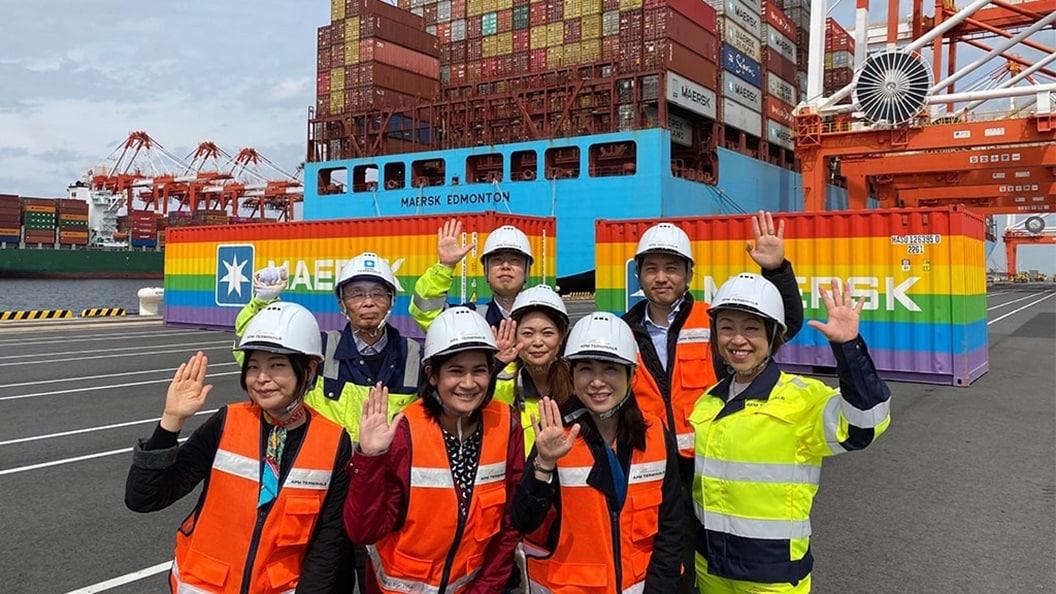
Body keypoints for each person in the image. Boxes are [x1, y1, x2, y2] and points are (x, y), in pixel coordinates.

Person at [621, 212, 804, 592]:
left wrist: (777, 271)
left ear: (688, 275)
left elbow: (784, 322)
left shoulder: (715, 319)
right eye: (651, 268)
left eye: (672, 268)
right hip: (650, 471)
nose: (661, 277)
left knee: (713, 562)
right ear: (638, 275)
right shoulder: (622, 331)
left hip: (708, 468)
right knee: (660, 561)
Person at [125, 301, 353, 593]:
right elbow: (144, 498)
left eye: (277, 366)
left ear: (309, 370)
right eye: (254, 366)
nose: (261, 378)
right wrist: (170, 422)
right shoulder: (226, 423)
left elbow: (327, 544)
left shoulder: (334, 442)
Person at [689, 274, 891, 593]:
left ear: (773, 336)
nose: (737, 339)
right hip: (710, 568)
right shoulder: (707, 402)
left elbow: (865, 424)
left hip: (771, 577)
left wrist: (847, 349)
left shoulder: (801, 399)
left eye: (751, 328)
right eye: (726, 327)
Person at [237, 252, 420, 593]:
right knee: (322, 583)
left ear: (391, 301)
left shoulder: (415, 355)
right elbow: (255, 356)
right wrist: (260, 304)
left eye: (378, 293)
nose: (368, 302)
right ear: (341, 303)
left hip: (381, 498)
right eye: (356, 294)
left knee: (381, 583)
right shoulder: (317, 349)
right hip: (322, 496)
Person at [344, 306, 525, 593]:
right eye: (455, 371)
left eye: (479, 370)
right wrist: (370, 460)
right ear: (432, 375)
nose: (468, 383)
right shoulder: (405, 432)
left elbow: (510, 523)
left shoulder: (506, 426)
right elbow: (364, 530)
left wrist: (483, 590)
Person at [510, 311, 683, 593]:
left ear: (631, 374)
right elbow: (523, 521)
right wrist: (544, 465)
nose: (597, 382)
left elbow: (671, 526)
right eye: (586, 369)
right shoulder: (555, 434)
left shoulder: (654, 433)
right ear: (572, 375)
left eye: (610, 369)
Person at [410, 218, 534, 331]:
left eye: (514, 260)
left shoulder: (544, 315)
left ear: (527, 270)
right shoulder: (471, 318)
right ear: (485, 271)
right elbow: (425, 312)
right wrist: (445, 267)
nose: (505, 266)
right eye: (497, 260)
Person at [494, 283, 574, 455]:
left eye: (547, 333)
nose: (537, 343)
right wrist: (492, 365)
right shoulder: (498, 383)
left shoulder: (578, 382)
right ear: (514, 336)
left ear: (562, 336)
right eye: (528, 334)